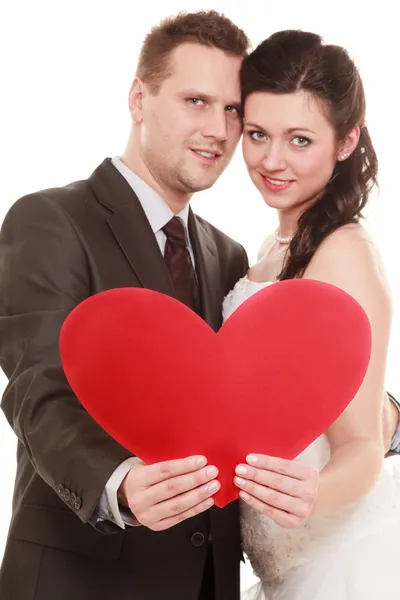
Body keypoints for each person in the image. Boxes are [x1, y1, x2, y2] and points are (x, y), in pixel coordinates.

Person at [0, 12, 320, 600]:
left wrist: (381, 418)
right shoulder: (50, 219)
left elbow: (264, 387)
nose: (218, 132)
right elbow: (36, 386)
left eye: (231, 111)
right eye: (196, 101)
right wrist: (118, 482)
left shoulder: (225, 254)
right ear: (138, 99)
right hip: (81, 578)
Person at [222, 30, 400, 600]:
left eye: (300, 140)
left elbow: (363, 447)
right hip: (279, 567)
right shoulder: (274, 248)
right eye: (257, 134)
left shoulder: (342, 251)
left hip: (336, 563)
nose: (272, 160)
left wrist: (308, 496)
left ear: (345, 143)